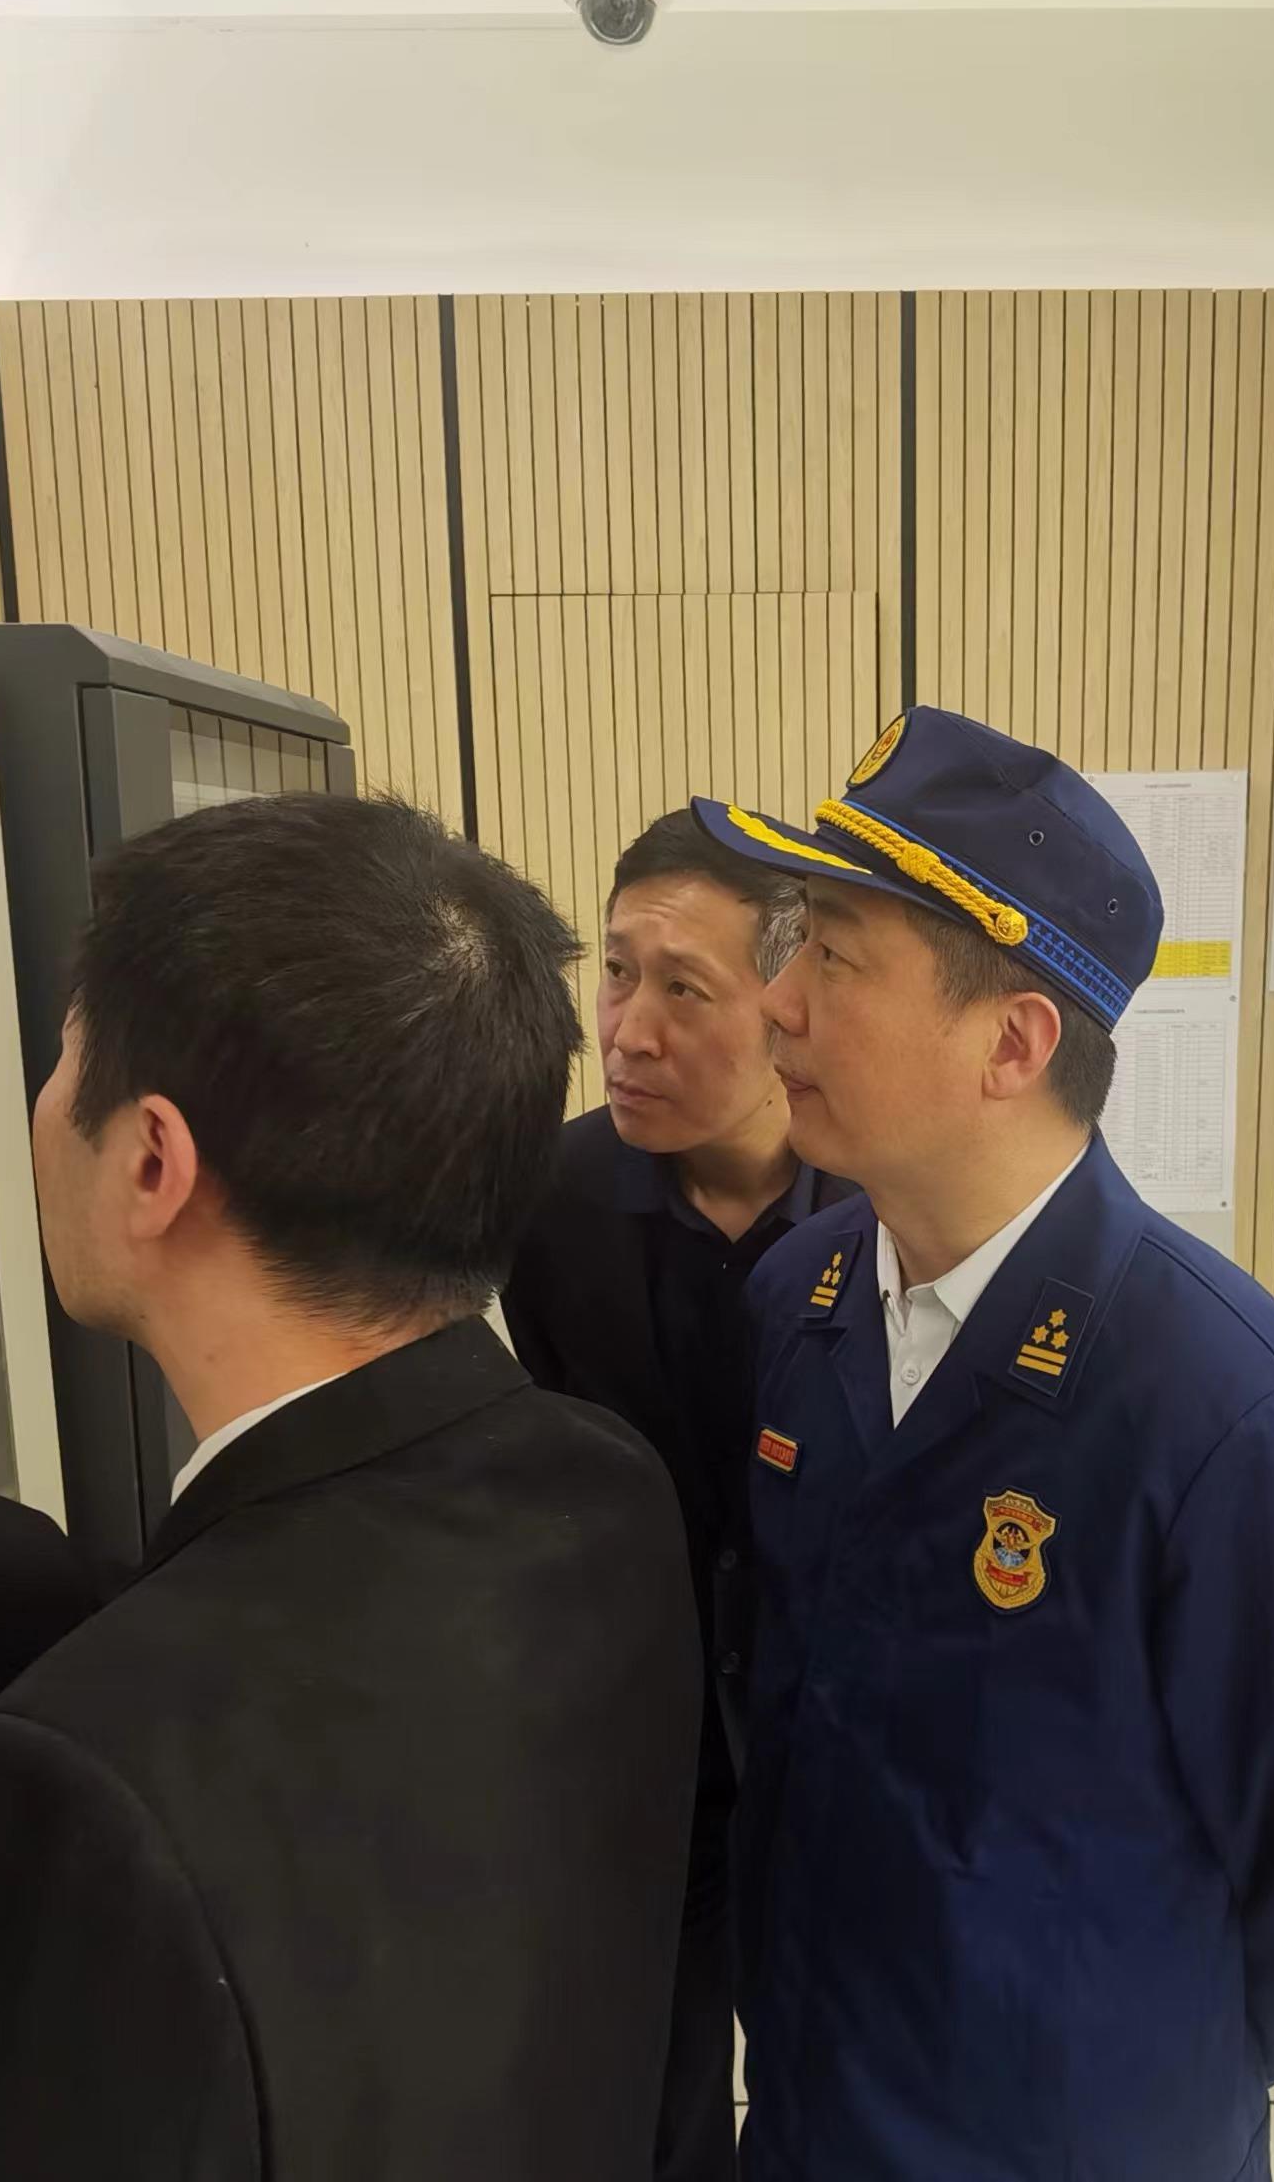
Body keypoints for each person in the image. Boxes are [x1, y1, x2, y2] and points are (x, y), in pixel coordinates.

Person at [0, 794, 698, 2181]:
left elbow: (187, 1733)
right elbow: (281, 1706)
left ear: (154, 1162)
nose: (43, 1106)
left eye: (65, 1061)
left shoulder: (65, 1796)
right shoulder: (603, 1489)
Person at [691, 708, 1274, 2182]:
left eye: (833, 956)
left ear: (1014, 1041)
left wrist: (1126, 2046)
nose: (775, 1001)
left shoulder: (1241, 1415)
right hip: (816, 2106)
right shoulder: (804, 1298)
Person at [501, 809, 857, 2182]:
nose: (627, 1031)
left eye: (684, 989)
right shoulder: (549, 1203)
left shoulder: (882, 1213)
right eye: (616, 971)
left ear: (787, 1004)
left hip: (839, 1743)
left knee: (847, 2087)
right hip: (639, 1750)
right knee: (655, 2106)